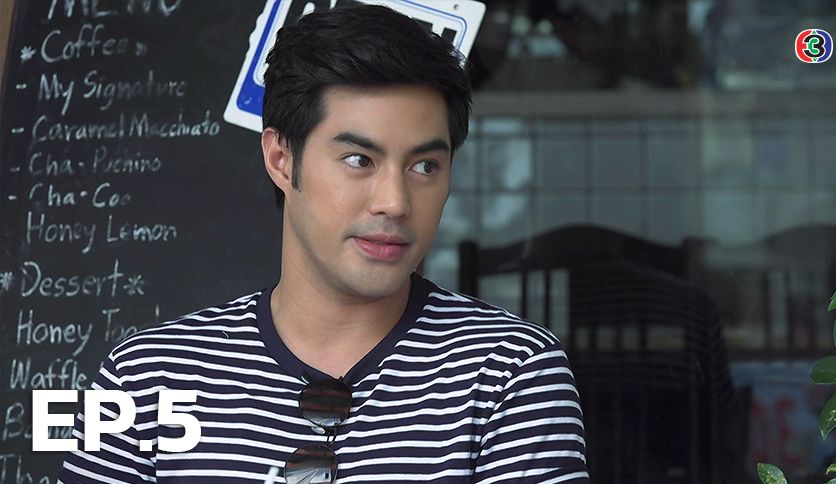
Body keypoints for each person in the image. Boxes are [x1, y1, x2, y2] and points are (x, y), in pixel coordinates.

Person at [59, 4, 589, 483]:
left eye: (425, 166)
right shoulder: (146, 376)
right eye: (359, 160)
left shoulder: (509, 372)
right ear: (281, 159)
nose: (395, 202)